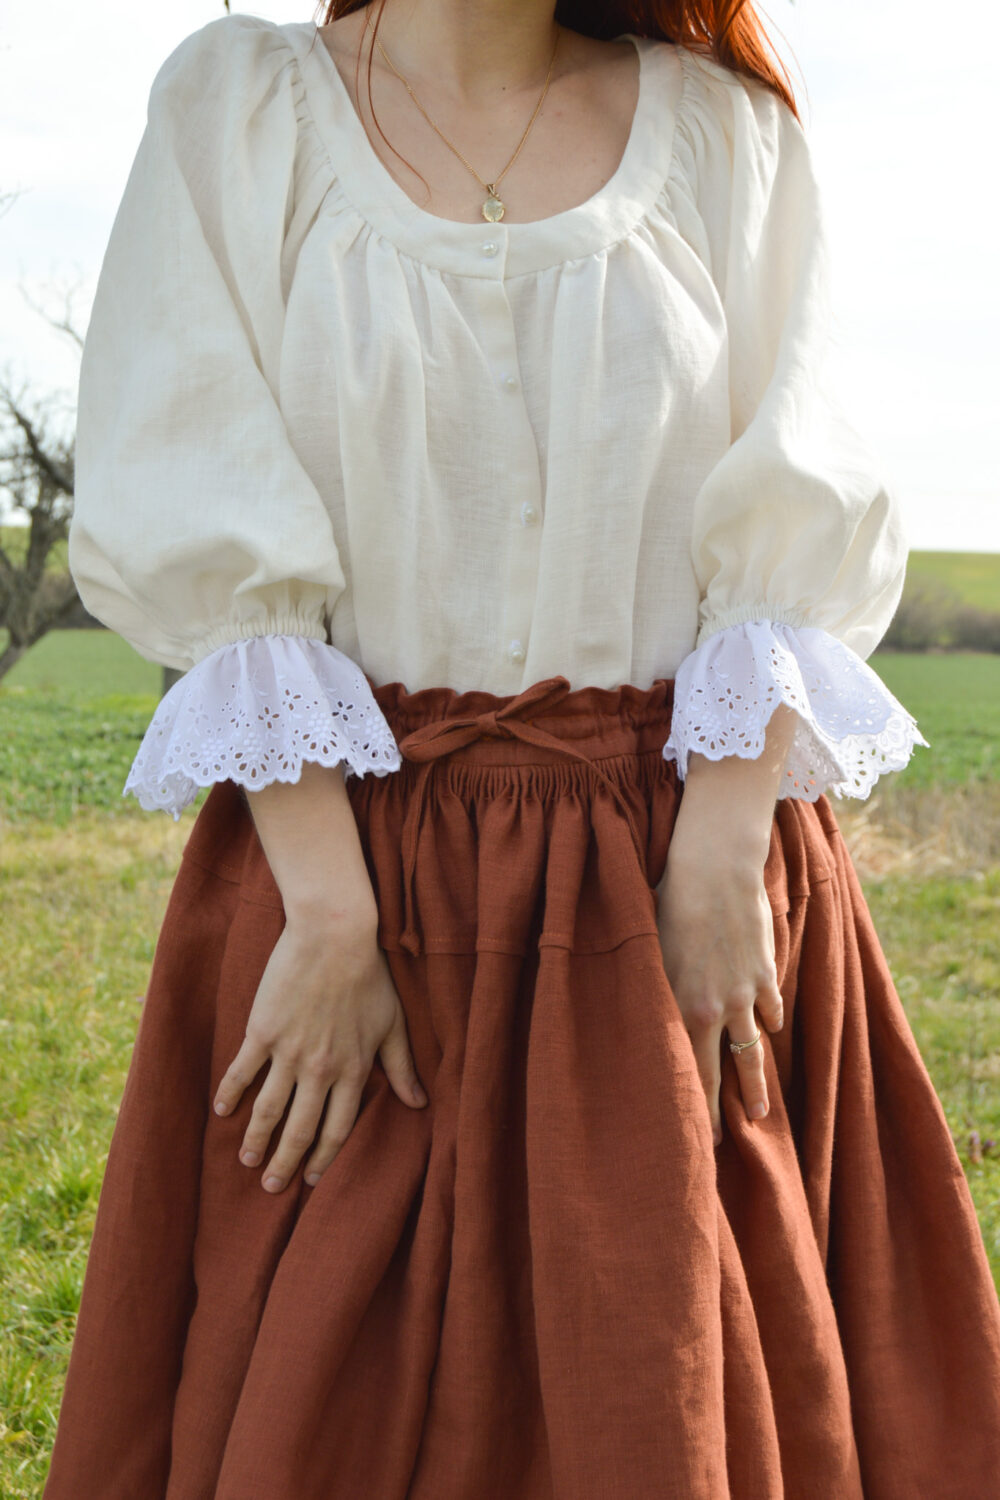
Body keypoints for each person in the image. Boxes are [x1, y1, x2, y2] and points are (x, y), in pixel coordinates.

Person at [43, 1, 1000, 1495]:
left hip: (682, 872)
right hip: (349, 870)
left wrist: (724, 850)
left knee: (672, 1371)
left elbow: (797, 505)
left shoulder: (725, 137)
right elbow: (189, 481)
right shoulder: (243, 112)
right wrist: (332, 906)